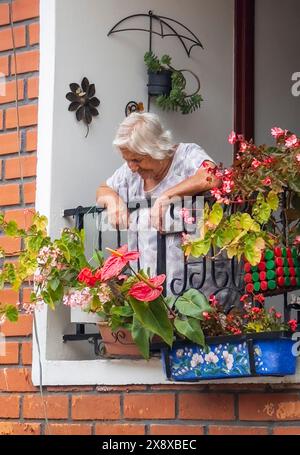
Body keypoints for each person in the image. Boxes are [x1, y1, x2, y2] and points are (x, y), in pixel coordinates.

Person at [96, 112, 220, 293]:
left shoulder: (186, 155)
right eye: (127, 160)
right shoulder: (130, 172)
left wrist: (166, 196)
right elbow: (103, 188)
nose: (131, 167)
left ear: (156, 147)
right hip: (149, 290)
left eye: (136, 159)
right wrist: (113, 201)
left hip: (194, 288)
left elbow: (211, 176)